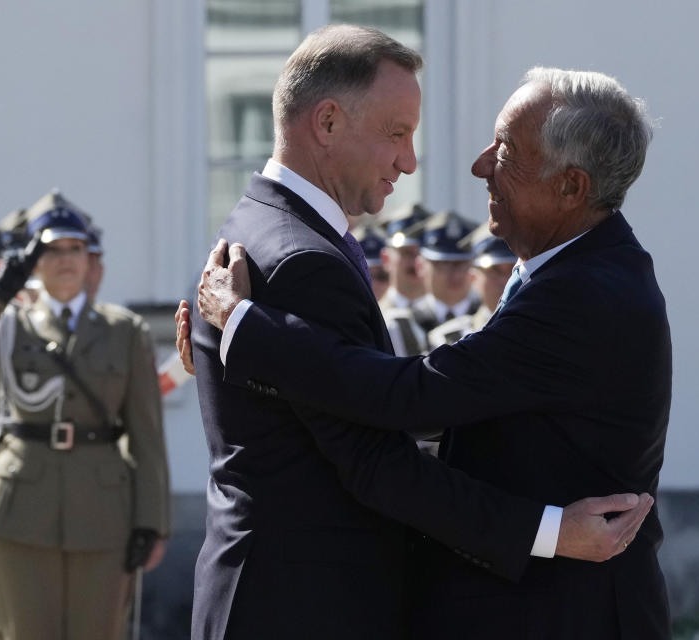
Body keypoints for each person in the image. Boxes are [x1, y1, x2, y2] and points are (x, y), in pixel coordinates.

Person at [185, 26, 651, 640]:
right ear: (326, 123)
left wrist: (243, 333)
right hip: (303, 604)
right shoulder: (304, 260)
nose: (415, 160)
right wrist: (233, 343)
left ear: (571, 187)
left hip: (562, 608)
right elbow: (375, 451)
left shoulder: (584, 291)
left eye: (507, 151)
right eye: (397, 133)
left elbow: (410, 399)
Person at [0, 191, 170, 640]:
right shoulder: (8, 326)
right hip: (20, 509)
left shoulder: (124, 331)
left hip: (102, 508)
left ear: (90, 259)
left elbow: (147, 435)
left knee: (97, 632)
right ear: (33, 262)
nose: (66, 259)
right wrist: (2, 289)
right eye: (51, 250)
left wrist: (151, 520)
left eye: (75, 248)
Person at [426, 230, 516, 348]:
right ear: (473, 278)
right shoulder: (448, 340)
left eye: (514, 270)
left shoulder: (541, 330)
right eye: (494, 271)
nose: (505, 280)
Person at [409, 209, 481, 335]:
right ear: (420, 266)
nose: (456, 274)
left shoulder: (488, 319)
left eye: (462, 263)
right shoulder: (404, 324)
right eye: (444, 264)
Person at [377, 202, 430, 311]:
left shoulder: (451, 316)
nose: (416, 262)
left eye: (422, 253)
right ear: (386, 259)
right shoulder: (373, 316)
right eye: (407, 253)